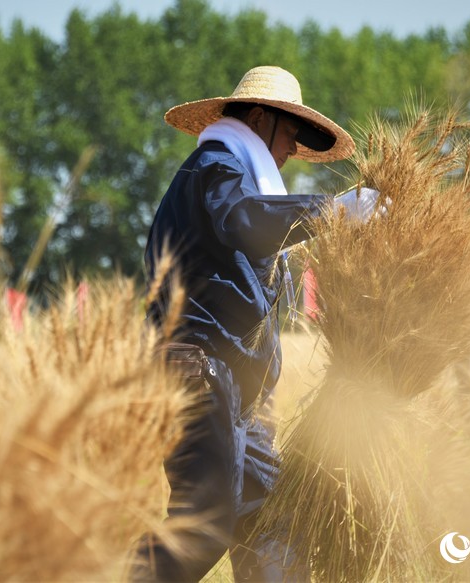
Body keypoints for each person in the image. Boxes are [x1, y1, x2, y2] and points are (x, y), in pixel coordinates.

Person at [132, 65, 375, 582]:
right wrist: (335, 212)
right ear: (260, 119)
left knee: (268, 525)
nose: (290, 151)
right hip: (198, 372)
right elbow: (246, 220)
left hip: (238, 386)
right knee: (206, 523)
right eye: (289, 135)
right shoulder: (215, 168)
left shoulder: (232, 173)